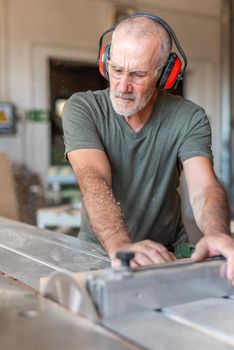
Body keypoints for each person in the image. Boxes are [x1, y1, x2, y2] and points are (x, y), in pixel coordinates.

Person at [62, 13, 234, 281]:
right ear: (105, 61)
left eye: (138, 74)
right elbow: (94, 180)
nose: (122, 86)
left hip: (167, 252)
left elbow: (204, 187)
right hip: (102, 251)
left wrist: (217, 235)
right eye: (116, 69)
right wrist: (119, 245)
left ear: (165, 74)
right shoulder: (83, 109)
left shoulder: (189, 117)